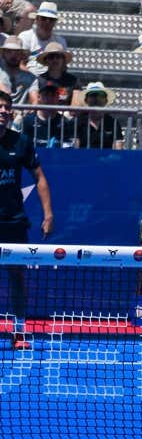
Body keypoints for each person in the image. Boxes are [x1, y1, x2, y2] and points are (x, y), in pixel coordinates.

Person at [0, 88, 55, 350]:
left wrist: (48, 213)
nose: (2, 111)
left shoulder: (21, 142)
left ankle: (19, 332)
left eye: (6, 107)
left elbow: (39, 177)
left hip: (13, 223)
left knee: (17, 279)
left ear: (11, 113)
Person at [73, 81, 124, 149]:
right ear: (86, 100)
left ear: (106, 100)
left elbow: (118, 149)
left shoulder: (113, 123)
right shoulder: (78, 122)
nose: (96, 99)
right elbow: (75, 150)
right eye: (92, 95)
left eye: (100, 95)